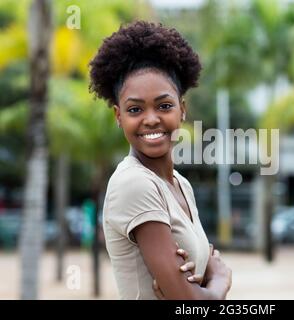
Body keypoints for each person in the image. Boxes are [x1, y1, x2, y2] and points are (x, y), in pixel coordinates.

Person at [89, 21, 232, 299]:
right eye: (135, 109)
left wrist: (200, 285)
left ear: (182, 110)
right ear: (119, 117)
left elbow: (194, 288)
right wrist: (221, 280)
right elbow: (191, 301)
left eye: (164, 105)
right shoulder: (135, 183)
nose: (151, 119)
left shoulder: (180, 185)